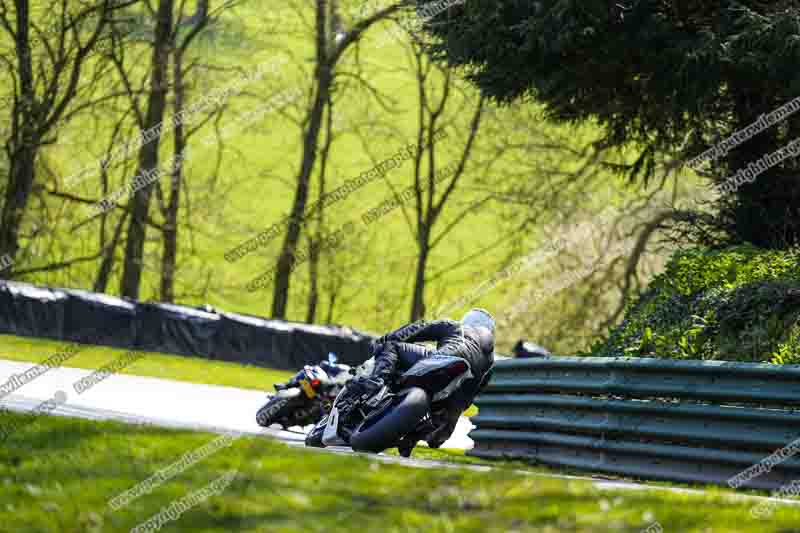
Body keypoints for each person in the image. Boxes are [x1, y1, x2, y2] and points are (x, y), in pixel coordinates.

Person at [346, 308, 496, 453]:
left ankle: (375, 382)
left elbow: (419, 328)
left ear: (469, 320)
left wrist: (387, 338)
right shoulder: (490, 361)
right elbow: (472, 396)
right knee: (436, 435)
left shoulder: (457, 326)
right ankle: (414, 436)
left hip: (444, 358)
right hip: (456, 396)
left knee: (392, 346)